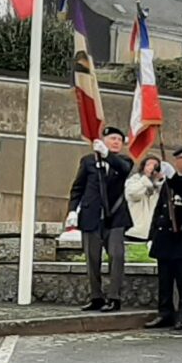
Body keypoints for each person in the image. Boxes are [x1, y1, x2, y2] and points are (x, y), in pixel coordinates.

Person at [67, 127, 135, 311]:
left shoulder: (123, 160)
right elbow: (78, 188)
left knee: (117, 255)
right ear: (102, 140)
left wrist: (107, 156)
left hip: (115, 217)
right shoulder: (88, 161)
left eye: (119, 140)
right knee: (92, 258)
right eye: (112, 138)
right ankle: (96, 296)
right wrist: (72, 210)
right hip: (92, 216)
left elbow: (124, 169)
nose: (116, 142)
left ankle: (114, 297)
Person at [146, 145, 182, 328]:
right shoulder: (169, 181)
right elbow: (160, 209)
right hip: (166, 237)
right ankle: (164, 312)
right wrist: (152, 234)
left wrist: (173, 179)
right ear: (176, 161)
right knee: (164, 280)